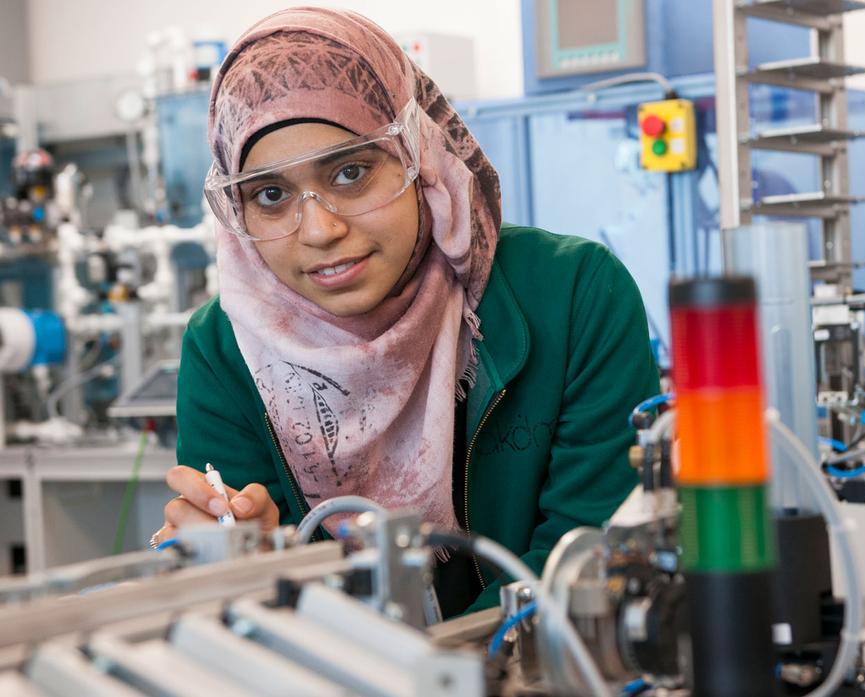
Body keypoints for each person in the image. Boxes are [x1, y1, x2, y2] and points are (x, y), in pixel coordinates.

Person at [155, 6, 659, 617]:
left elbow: (586, 555)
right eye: (270, 194)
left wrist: (442, 669)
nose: (318, 229)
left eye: (351, 172)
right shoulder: (224, 348)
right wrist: (258, 562)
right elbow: (253, 610)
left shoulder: (573, 293)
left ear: (419, 155)